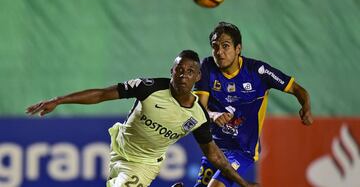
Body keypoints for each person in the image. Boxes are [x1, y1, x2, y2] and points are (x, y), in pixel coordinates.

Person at [26, 50, 258, 187]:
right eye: (179, 69)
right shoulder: (149, 87)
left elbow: (216, 157)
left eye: (189, 72)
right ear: (171, 71)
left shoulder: (198, 116)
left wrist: (244, 184)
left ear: (197, 77)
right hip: (117, 148)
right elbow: (102, 94)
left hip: (143, 165)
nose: (182, 75)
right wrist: (59, 100)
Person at [193, 22, 313, 187]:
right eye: (215, 47)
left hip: (243, 150)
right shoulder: (206, 67)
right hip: (213, 149)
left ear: (238, 48)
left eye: (225, 46)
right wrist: (214, 115)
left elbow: (296, 88)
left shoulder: (258, 71)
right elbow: (199, 108)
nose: (219, 52)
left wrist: (305, 106)